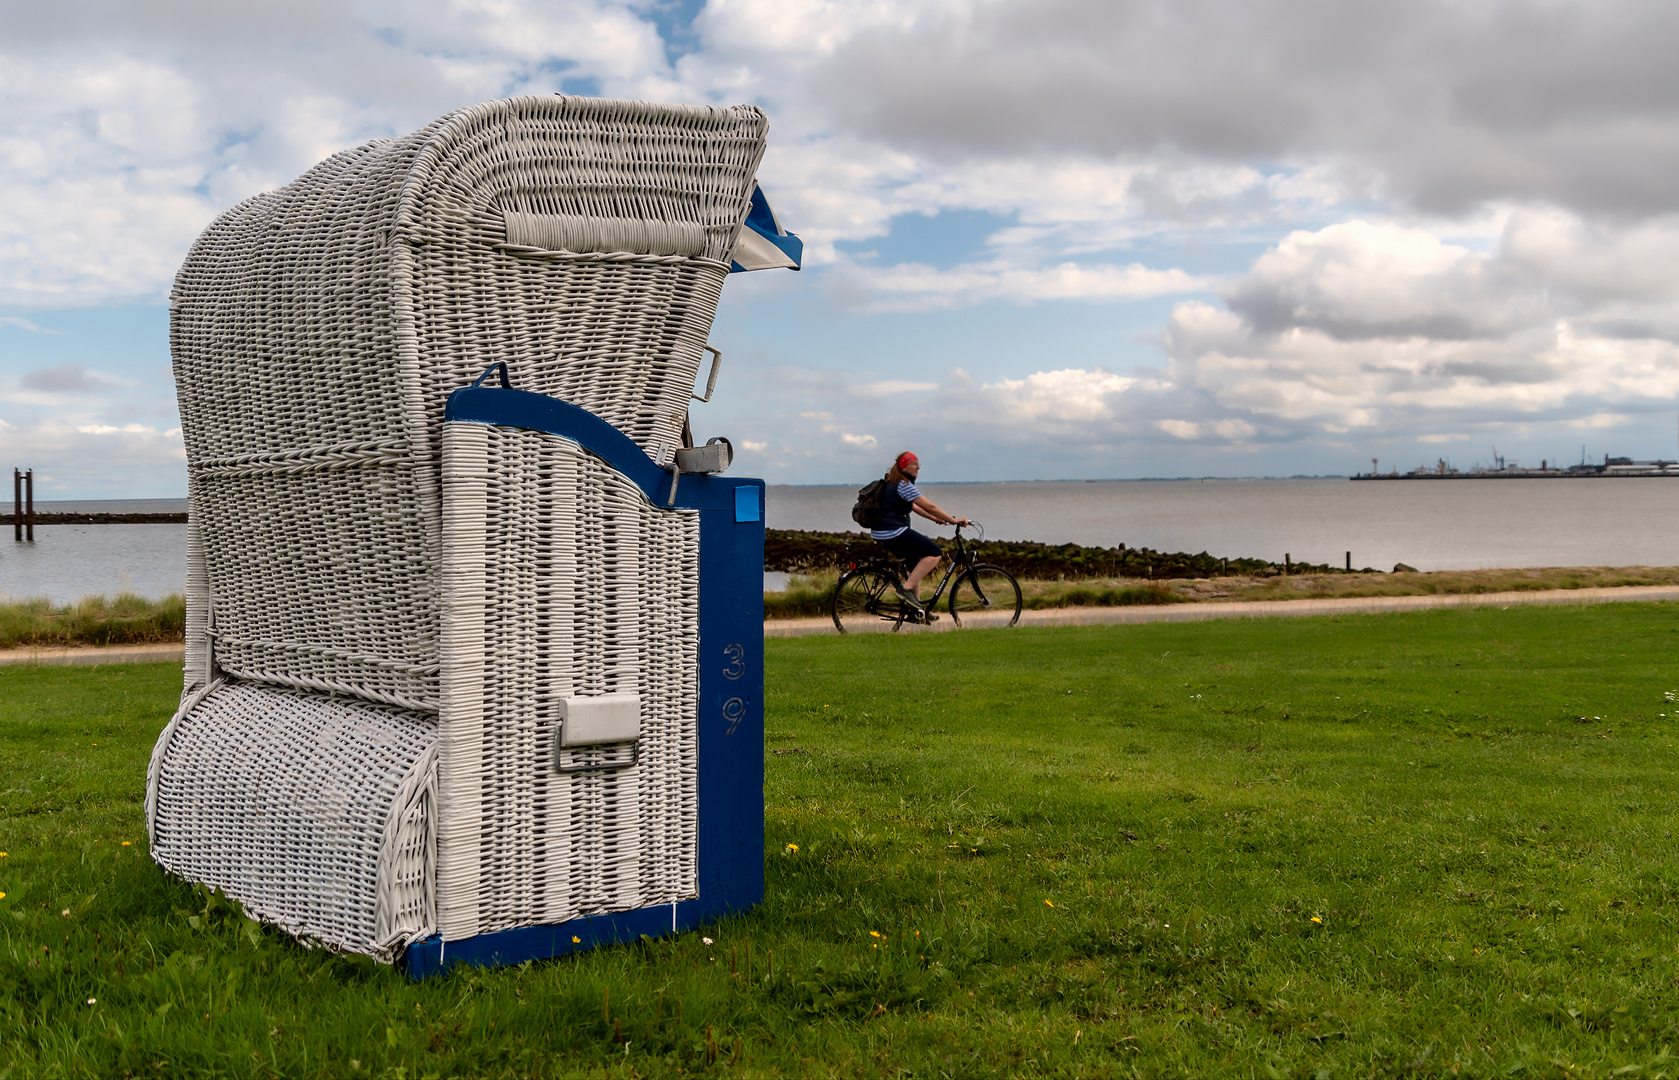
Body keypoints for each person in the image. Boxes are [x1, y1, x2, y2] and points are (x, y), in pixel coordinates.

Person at [870, 451, 970, 618]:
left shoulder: (892, 483)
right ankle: (906, 590)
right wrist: (954, 520)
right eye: (914, 464)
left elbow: (915, 507)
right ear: (904, 467)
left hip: (882, 533)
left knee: (915, 565)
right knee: (935, 553)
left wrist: (935, 519)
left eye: (919, 464)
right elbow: (929, 506)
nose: (918, 467)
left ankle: (916, 611)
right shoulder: (903, 485)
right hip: (894, 532)